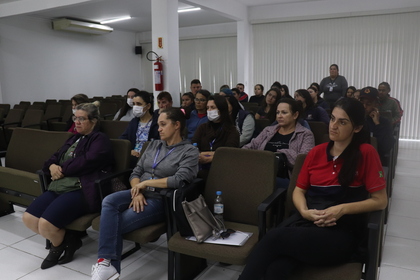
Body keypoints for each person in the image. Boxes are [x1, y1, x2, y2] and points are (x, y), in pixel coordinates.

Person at [238, 97, 387, 280]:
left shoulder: (366, 152)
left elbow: (380, 200)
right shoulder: (316, 153)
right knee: (276, 270)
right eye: (332, 119)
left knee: (274, 238)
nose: (333, 126)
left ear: (356, 128)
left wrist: (341, 210)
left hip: (341, 231)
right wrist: (305, 211)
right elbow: (299, 190)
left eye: (342, 122)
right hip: (308, 222)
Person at [91, 108, 199, 280]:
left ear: (177, 125)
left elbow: (179, 180)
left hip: (160, 199)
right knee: (109, 201)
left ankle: (107, 265)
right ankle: (107, 266)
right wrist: (137, 191)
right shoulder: (154, 145)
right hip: (138, 192)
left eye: (163, 124)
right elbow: (136, 172)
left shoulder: (189, 151)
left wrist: (146, 183)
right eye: (158, 125)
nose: (159, 129)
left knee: (115, 222)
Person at [22, 102, 114, 270]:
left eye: (81, 119)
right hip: (60, 186)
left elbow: (86, 162)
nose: (76, 122)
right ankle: (69, 240)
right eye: (75, 118)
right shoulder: (73, 138)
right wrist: (51, 167)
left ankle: (57, 248)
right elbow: (52, 158)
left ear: (93, 120)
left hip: (82, 189)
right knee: (28, 218)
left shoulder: (100, 139)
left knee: (45, 224)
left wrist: (60, 169)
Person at [243, 98, 315, 181]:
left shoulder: (305, 134)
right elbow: (252, 145)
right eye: (278, 112)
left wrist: (280, 154)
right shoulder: (268, 130)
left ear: (295, 115)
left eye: (284, 112)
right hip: (259, 171)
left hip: (285, 178)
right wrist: (241, 154)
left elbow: (303, 161)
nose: (279, 116)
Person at [191, 95, 240, 172]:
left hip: (223, 169)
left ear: (221, 109)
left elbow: (229, 153)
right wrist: (215, 154)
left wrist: (210, 158)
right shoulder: (203, 127)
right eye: (208, 108)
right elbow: (194, 146)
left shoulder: (232, 130)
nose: (209, 110)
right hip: (200, 168)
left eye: (213, 108)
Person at [359, 87, 395, 162]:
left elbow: (385, 147)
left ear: (376, 104)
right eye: (361, 103)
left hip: (375, 160)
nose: (364, 107)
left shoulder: (384, 122)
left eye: (368, 104)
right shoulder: (355, 119)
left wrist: (377, 124)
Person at [119, 90, 154, 167]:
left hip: (149, 156)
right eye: (134, 104)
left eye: (139, 104)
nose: (135, 107)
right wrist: (130, 151)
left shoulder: (156, 122)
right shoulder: (134, 122)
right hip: (133, 155)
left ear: (148, 106)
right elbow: (122, 139)